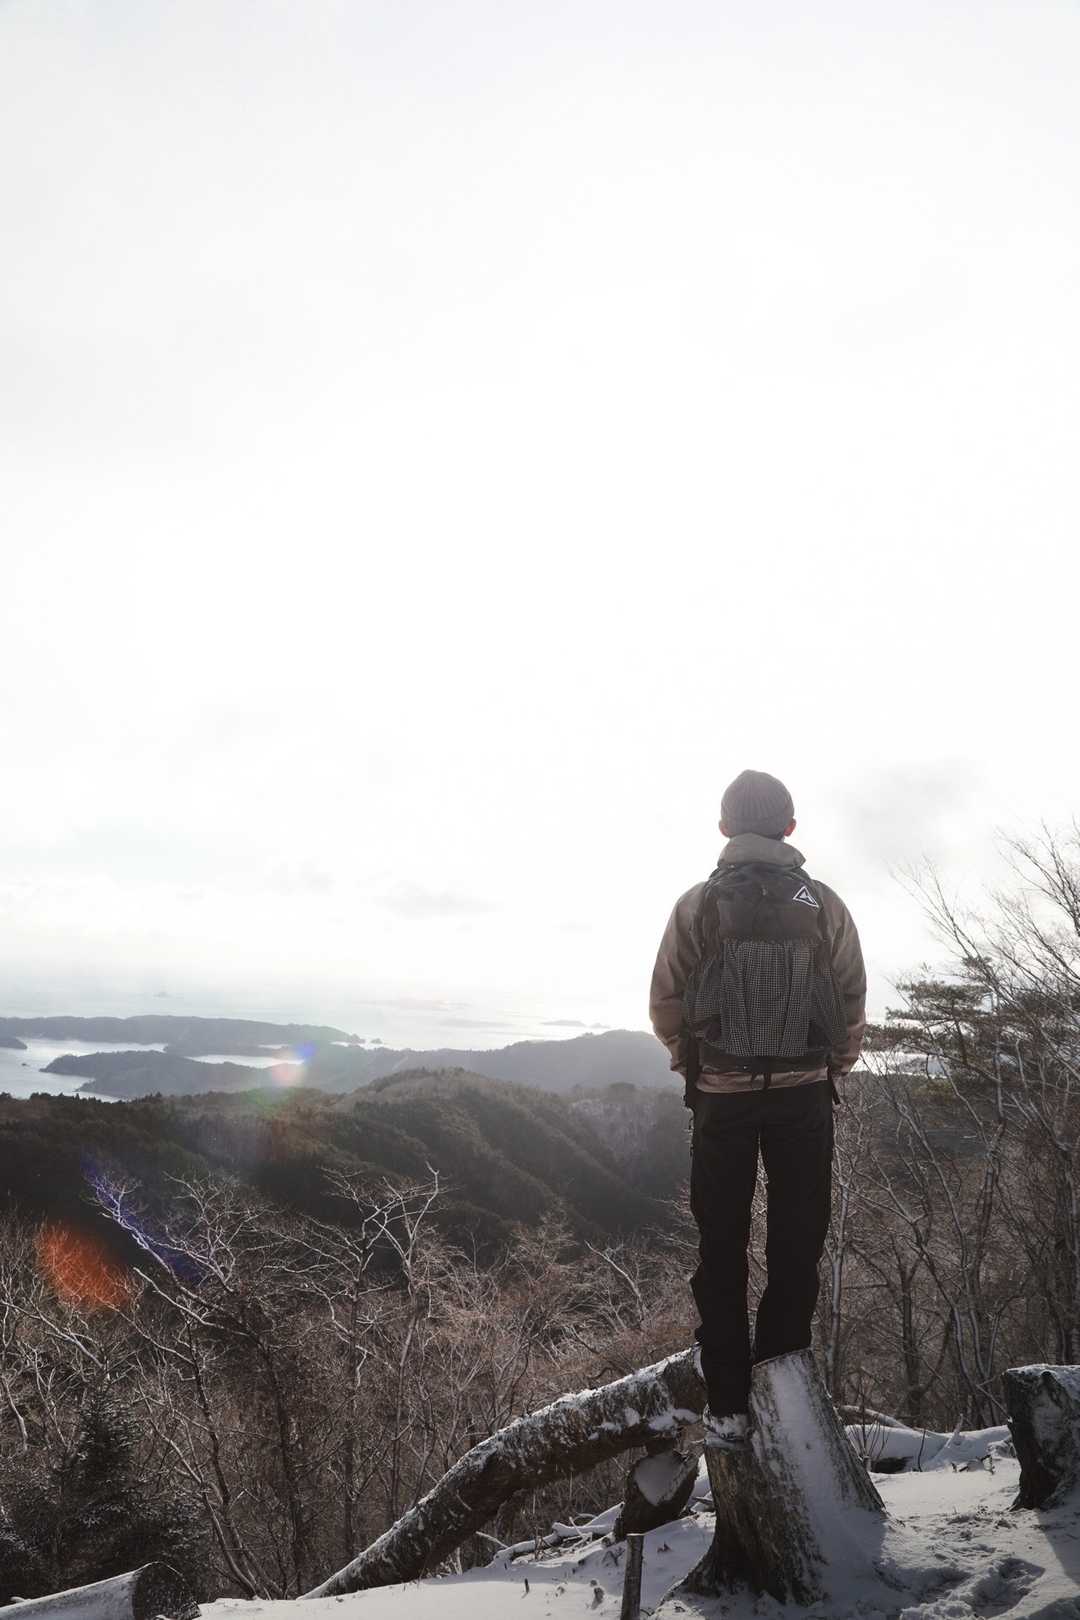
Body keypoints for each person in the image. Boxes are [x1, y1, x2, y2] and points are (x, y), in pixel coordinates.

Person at [648, 769, 865, 1448]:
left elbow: (666, 1003)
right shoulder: (822, 902)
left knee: (721, 1246)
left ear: (723, 829)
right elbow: (851, 996)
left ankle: (729, 1405)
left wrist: (696, 1069)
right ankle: (782, 1387)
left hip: (723, 1098)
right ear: (790, 828)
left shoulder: (698, 904)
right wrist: (829, 1069)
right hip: (804, 1097)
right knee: (797, 1241)